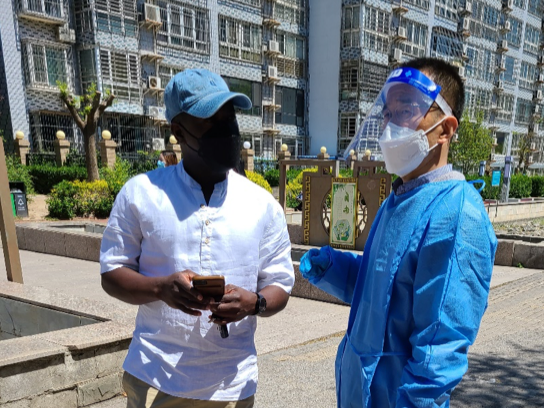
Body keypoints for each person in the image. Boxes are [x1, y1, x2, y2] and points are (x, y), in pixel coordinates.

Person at [300, 58, 498, 408]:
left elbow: (440, 349)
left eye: (406, 110)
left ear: (445, 129)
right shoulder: (399, 199)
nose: (391, 126)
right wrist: (334, 268)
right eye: (388, 113)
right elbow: (382, 290)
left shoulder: (454, 214)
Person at [100, 69, 294, 408]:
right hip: (156, 377)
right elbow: (112, 272)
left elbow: (279, 283)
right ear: (178, 131)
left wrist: (255, 303)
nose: (225, 130)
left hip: (232, 384)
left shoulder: (262, 205)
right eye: (209, 120)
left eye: (229, 118)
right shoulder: (141, 193)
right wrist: (161, 288)